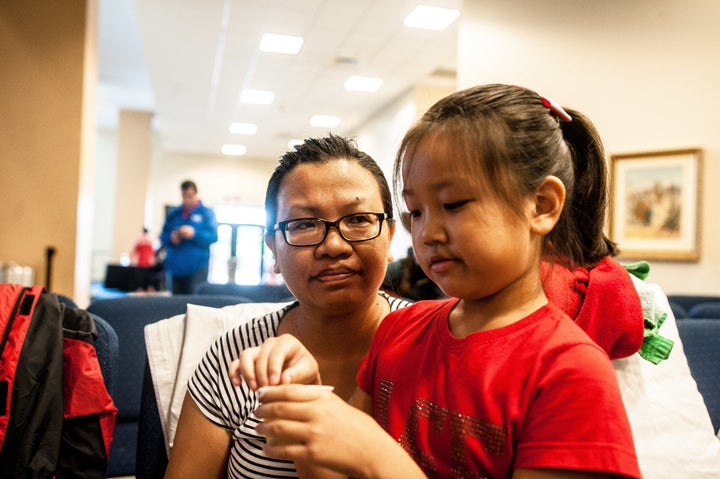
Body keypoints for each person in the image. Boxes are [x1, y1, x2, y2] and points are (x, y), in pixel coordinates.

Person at [236, 84, 643, 478]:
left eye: (453, 204)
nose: (428, 233)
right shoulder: (398, 331)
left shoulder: (568, 374)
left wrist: (379, 460)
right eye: (416, 211)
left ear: (541, 205)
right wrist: (309, 400)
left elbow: (372, 461)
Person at [164, 135, 411, 478]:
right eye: (304, 224)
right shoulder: (236, 358)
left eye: (358, 219)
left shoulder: (438, 345)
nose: (334, 246)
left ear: (389, 237)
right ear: (273, 250)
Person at [160, 180, 218, 294]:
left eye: (190, 196)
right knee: (174, 305)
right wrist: (171, 237)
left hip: (197, 268)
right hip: (175, 268)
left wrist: (194, 234)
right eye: (184, 196)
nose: (186, 199)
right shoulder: (174, 213)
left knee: (194, 303)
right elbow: (163, 236)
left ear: (196, 193)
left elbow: (213, 237)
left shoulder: (206, 213)